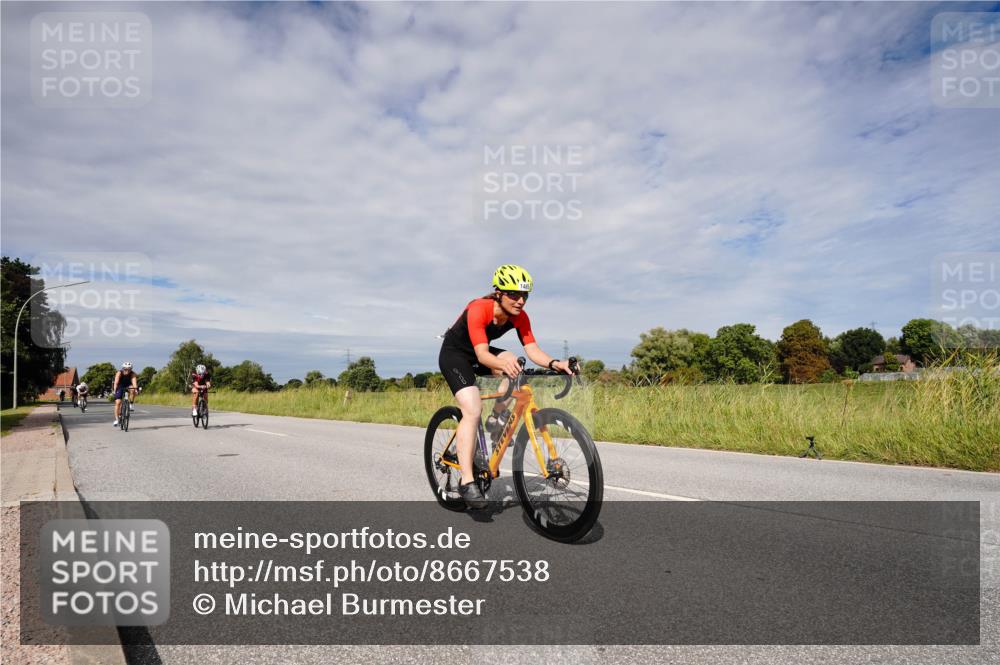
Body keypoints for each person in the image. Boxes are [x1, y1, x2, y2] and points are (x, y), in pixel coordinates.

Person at [438, 264, 572, 509]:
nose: (520, 301)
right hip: (455, 355)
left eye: (525, 295)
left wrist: (556, 363)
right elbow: (482, 355)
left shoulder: (520, 316)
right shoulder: (479, 308)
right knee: (472, 409)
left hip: (480, 353)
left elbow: (533, 350)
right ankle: (467, 481)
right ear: (498, 293)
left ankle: (496, 420)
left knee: (514, 362)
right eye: (514, 294)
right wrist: (502, 364)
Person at [112, 362, 138, 427]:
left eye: (129, 369)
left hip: (128, 385)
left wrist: (136, 390)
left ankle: (131, 404)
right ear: (123, 368)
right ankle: (117, 420)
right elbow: (116, 383)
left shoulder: (133, 374)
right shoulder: (119, 373)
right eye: (125, 369)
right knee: (118, 402)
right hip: (120, 386)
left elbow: (134, 383)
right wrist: (115, 390)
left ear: (131, 369)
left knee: (133, 389)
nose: (127, 370)